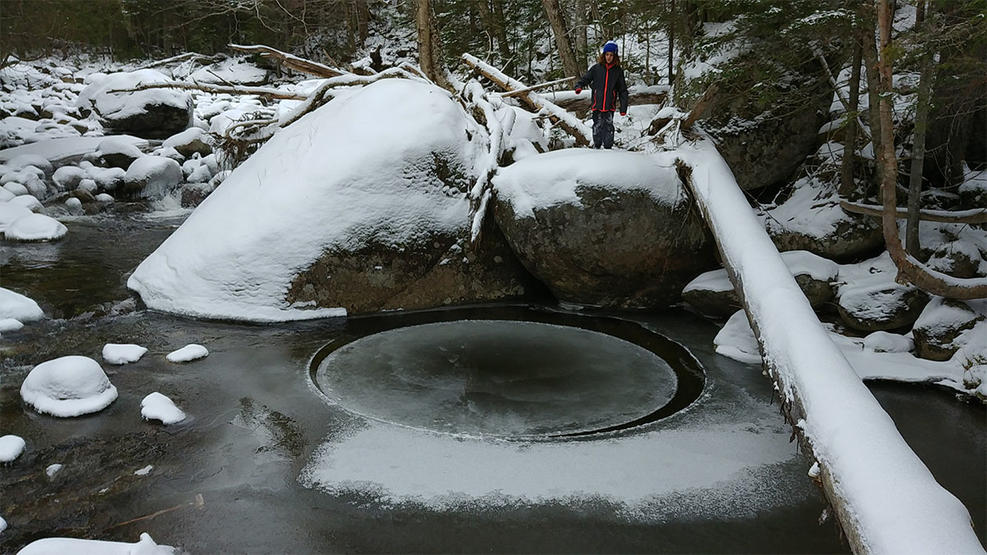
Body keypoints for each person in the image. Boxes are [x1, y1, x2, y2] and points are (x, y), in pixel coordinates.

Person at [574, 41, 629, 149]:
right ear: (603, 55)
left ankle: (608, 149)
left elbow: (622, 90)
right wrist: (579, 86)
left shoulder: (618, 71)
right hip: (597, 104)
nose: (609, 57)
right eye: (607, 54)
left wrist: (623, 108)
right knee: (597, 127)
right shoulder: (596, 68)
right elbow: (586, 79)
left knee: (608, 127)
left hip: (609, 105)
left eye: (611, 55)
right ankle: (597, 148)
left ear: (615, 56)